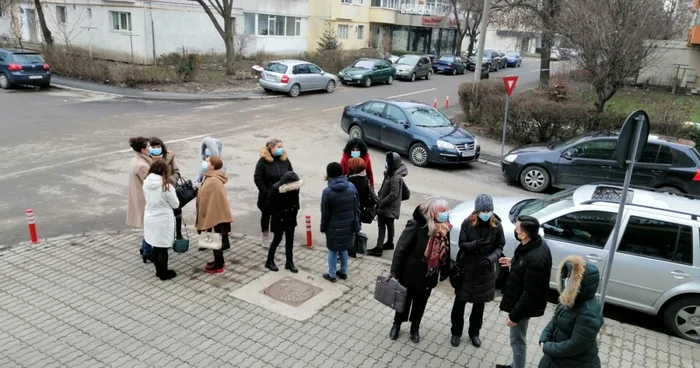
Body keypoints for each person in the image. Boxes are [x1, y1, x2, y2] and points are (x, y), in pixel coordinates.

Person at [389, 197, 451, 344]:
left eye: (446, 211)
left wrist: (444, 270)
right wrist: (395, 271)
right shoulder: (416, 225)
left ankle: (415, 327)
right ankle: (397, 324)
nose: (445, 213)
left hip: (429, 273)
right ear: (433, 212)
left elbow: (446, 251)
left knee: (421, 302)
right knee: (404, 300)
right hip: (411, 271)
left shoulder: (444, 228)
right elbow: (401, 248)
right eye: (442, 211)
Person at [496, 215, 552, 368]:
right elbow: (523, 261)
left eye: (517, 228)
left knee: (517, 341)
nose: (515, 230)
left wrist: (514, 316)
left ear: (523, 234)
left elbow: (530, 294)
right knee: (517, 340)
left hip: (522, 308)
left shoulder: (536, 260)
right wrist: (513, 262)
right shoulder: (534, 244)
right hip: (519, 302)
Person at [450, 194, 505, 348]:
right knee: (459, 304)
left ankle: (474, 333)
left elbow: (500, 246)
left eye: (488, 210)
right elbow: (462, 244)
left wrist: (490, 258)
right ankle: (456, 332)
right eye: (483, 210)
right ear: (477, 211)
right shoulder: (467, 223)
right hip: (467, 270)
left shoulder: (497, 225)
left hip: (484, 272)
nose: (486, 213)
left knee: (479, 307)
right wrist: (476, 244)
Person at [538, 255, 604, 368]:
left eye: (570, 279)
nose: (565, 282)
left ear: (580, 284)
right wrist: (544, 337)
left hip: (575, 363)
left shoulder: (588, 313)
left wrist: (547, 347)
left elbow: (574, 346)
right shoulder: (569, 300)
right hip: (556, 357)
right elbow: (555, 320)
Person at [320, 162, 360, 283]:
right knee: (344, 249)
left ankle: (332, 274)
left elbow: (325, 214)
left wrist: (323, 227)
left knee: (332, 250)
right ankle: (343, 272)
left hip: (334, 227)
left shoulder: (327, 192)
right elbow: (357, 207)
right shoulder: (351, 186)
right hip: (348, 225)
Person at [142, 160, 180, 281]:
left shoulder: (146, 182)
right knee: (162, 247)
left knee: (155, 246)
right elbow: (175, 204)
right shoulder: (166, 186)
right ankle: (164, 273)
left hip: (150, 217)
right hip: (163, 219)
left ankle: (158, 271)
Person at [196, 155, 234, 274]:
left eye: (207, 161)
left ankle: (218, 265)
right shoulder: (210, 176)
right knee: (214, 238)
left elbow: (213, 198)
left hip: (215, 215)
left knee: (214, 239)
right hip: (213, 213)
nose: (204, 162)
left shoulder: (213, 180)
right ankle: (219, 260)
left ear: (212, 166)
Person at [254, 139, 293, 248]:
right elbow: (258, 178)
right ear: (271, 148)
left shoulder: (285, 160)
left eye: (282, 147)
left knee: (281, 216)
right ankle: (265, 235)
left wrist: (288, 187)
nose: (281, 149)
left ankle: (280, 236)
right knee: (266, 215)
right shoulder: (263, 161)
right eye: (278, 147)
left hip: (282, 195)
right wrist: (266, 192)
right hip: (267, 196)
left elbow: (290, 173)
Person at [367, 152, 408, 257]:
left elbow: (394, 194)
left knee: (381, 225)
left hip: (386, 207)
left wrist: (382, 202)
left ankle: (378, 248)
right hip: (390, 207)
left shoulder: (395, 178)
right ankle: (390, 243)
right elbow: (402, 193)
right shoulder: (393, 175)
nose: (385, 163)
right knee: (389, 224)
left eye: (387, 161)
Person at [265, 171, 304, 273]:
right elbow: (269, 205)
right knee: (277, 239)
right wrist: (278, 216)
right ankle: (269, 261)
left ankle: (289, 262)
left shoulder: (294, 188)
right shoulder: (275, 189)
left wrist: (295, 212)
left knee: (290, 240)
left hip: (290, 217)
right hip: (279, 218)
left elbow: (296, 201)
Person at [149, 137, 184, 240]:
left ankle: (178, 233)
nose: (156, 148)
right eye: (153, 147)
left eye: (158, 146)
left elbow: (176, 171)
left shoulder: (169, 157)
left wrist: (171, 180)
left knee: (177, 211)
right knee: (161, 216)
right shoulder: (148, 159)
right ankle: (163, 237)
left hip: (170, 189)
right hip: (157, 192)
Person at [127, 137, 153, 263]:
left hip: (138, 196)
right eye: (149, 146)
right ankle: (147, 251)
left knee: (148, 225)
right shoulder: (142, 165)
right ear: (143, 149)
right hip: (145, 199)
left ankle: (144, 248)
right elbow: (151, 183)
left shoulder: (136, 160)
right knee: (150, 226)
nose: (151, 148)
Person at [346, 157, 373, 257]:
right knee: (356, 228)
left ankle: (350, 251)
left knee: (349, 230)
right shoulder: (364, 179)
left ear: (354, 168)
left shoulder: (351, 180)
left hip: (350, 209)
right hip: (359, 209)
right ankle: (353, 250)